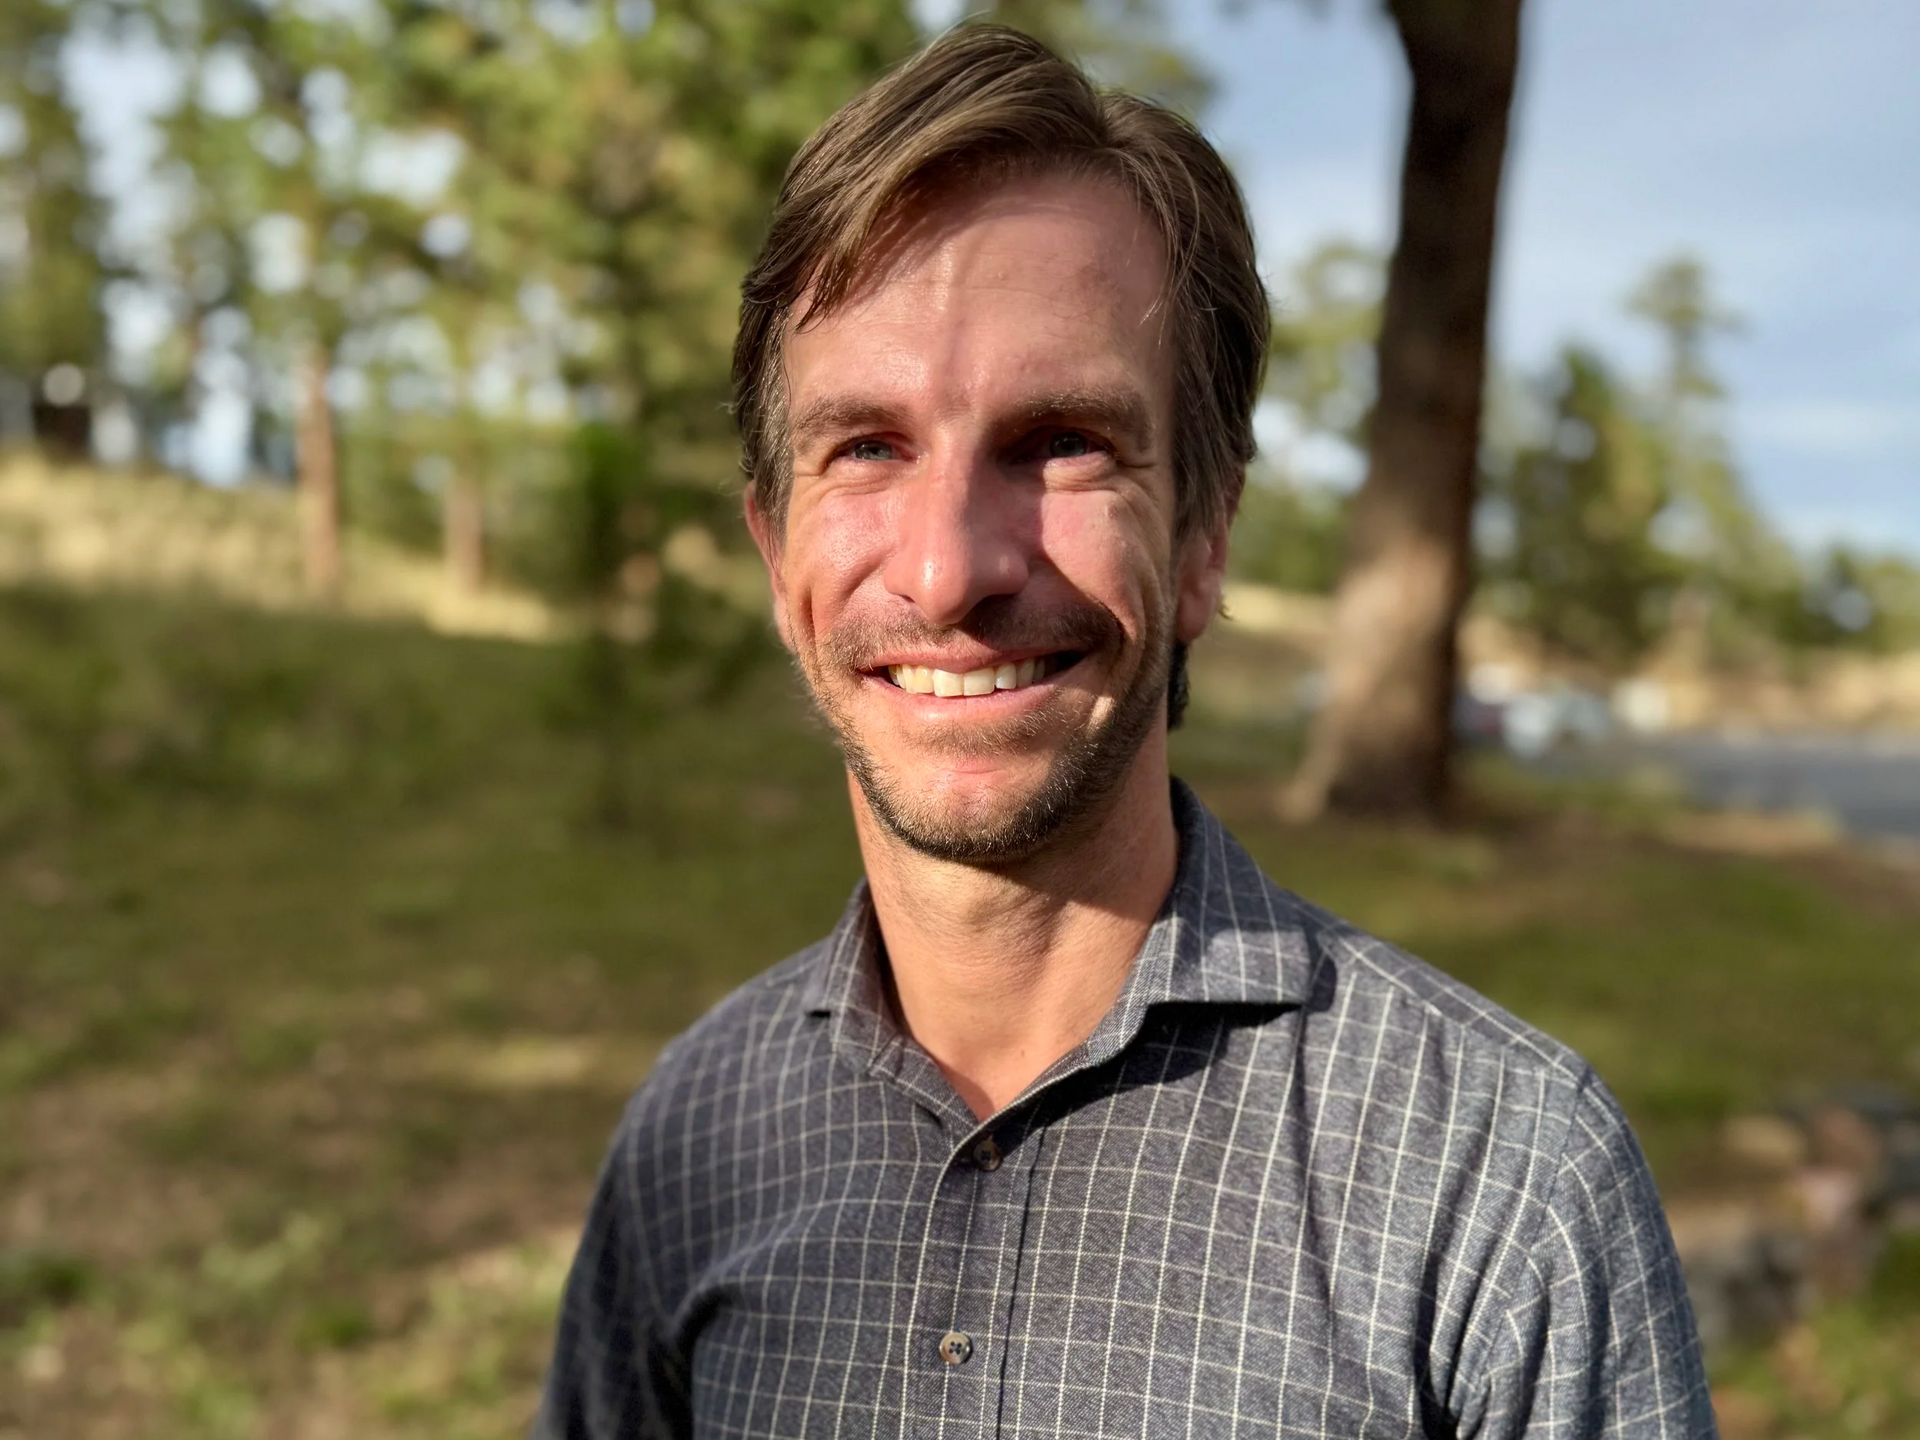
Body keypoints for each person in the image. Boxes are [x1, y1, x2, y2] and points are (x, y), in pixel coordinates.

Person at [536, 25, 1715, 1440]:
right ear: (778, 558)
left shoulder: (1504, 1181)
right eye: (867, 448)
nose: (947, 572)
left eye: (1059, 443)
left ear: (1205, 537)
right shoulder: (690, 1140)